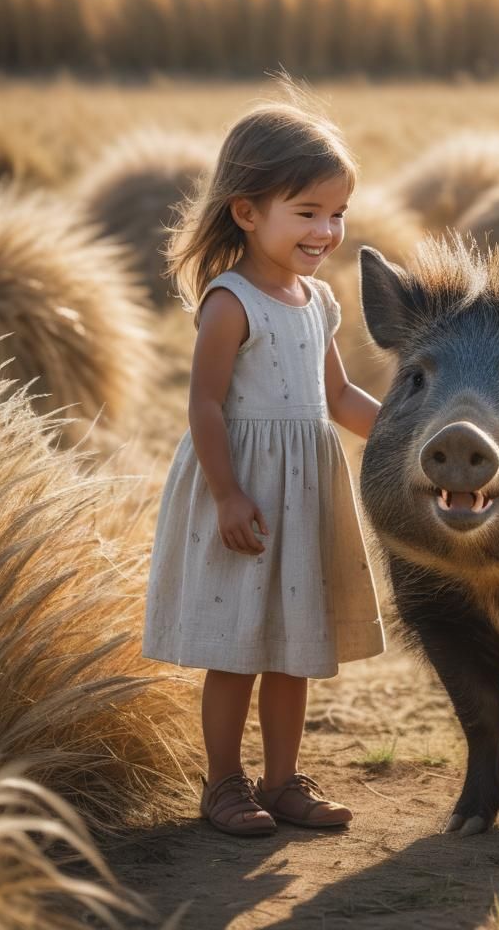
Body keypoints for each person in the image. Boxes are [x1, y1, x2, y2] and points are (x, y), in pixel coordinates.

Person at [142, 95, 385, 836]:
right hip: (247, 490)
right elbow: (205, 406)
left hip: (306, 495)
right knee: (238, 646)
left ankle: (283, 783)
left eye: (338, 213)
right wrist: (227, 494)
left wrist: (407, 436)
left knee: (293, 645)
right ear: (247, 212)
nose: (327, 231)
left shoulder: (316, 301)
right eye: (307, 212)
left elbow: (338, 396)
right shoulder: (232, 301)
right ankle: (223, 785)